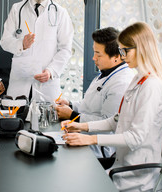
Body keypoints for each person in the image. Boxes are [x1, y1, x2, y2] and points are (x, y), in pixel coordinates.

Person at [61, 22, 162, 191]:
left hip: (136, 174)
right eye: (121, 49)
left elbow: (135, 138)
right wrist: (80, 125)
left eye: (126, 50)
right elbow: (116, 120)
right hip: (121, 166)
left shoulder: (152, 86)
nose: (122, 55)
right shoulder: (138, 80)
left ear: (142, 49)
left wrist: (90, 138)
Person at [55, 27, 134, 158]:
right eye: (94, 52)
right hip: (84, 134)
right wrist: (70, 105)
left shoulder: (122, 83)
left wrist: (73, 115)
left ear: (116, 57)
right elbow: (89, 106)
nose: (93, 58)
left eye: (98, 54)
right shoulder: (105, 73)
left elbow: (108, 122)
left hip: (100, 147)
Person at [0, 0, 74, 102]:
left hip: (47, 82)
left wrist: (51, 71)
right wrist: (21, 44)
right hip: (20, 82)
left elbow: (65, 49)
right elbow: (4, 41)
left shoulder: (60, 13)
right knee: (17, 120)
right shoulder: (17, 9)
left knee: (46, 120)